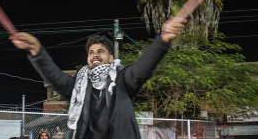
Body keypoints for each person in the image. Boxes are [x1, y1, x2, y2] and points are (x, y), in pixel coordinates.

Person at [11, 17, 186, 139]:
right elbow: (55, 77)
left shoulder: (123, 79)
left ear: (111, 57)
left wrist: (162, 40)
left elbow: (144, 68)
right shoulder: (78, 85)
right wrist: (36, 50)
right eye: (91, 52)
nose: (95, 55)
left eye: (100, 51)